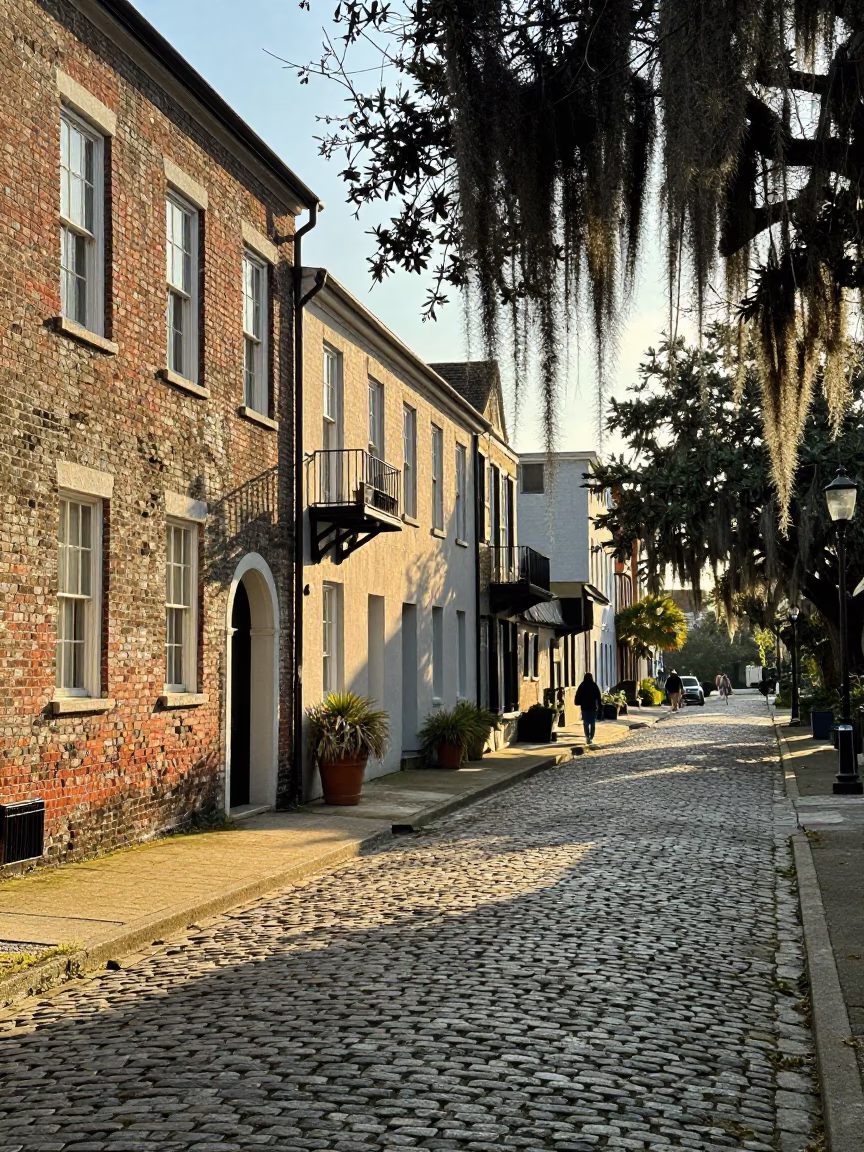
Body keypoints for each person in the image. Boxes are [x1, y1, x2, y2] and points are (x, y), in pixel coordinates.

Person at [574, 672, 603, 746]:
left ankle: (587, 737)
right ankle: (591, 736)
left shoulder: (582, 685)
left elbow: (578, 695)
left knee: (585, 722)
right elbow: (598, 696)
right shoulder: (594, 685)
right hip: (592, 707)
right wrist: (599, 705)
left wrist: (577, 702)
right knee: (592, 722)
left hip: (584, 707)